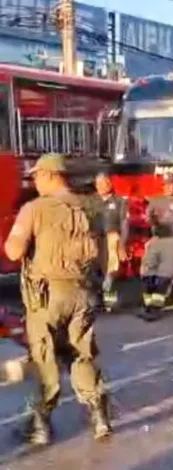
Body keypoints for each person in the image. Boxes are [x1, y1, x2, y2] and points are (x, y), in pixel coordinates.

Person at [3, 153, 112, 445]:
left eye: (37, 176)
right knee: (82, 353)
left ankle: (40, 426)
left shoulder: (34, 209)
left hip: (47, 297)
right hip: (83, 292)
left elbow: (13, 252)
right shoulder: (90, 207)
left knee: (45, 358)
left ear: (52, 176)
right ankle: (99, 417)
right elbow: (102, 254)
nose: (34, 181)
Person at [138, 173, 173, 321]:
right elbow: (149, 217)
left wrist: (159, 216)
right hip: (156, 239)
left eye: (170, 184)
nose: (168, 187)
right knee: (147, 271)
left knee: (165, 275)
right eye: (165, 184)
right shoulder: (157, 200)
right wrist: (161, 216)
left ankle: (155, 309)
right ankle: (147, 305)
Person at [90, 171, 129, 311]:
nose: (101, 186)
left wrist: (122, 245)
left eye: (104, 183)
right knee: (94, 270)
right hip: (94, 240)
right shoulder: (91, 201)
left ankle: (110, 302)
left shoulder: (120, 202)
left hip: (113, 238)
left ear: (110, 183)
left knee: (111, 271)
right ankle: (97, 301)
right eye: (98, 184)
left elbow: (124, 223)